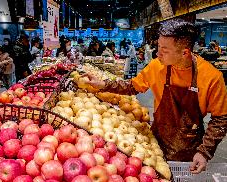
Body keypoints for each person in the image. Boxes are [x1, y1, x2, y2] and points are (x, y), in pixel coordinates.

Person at [81, 19, 227, 174]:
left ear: (185, 52)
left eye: (164, 50)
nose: (157, 53)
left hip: (189, 149)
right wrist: (104, 84)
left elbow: (221, 118)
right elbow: (132, 86)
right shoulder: (157, 66)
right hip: (156, 141)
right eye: (158, 46)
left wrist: (205, 151)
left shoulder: (211, 77)